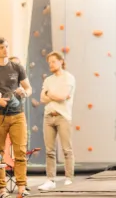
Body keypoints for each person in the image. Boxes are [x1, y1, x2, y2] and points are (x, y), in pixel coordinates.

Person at [0, 38, 33, 198]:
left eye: (7, 46)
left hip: (18, 114)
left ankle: (22, 188)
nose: (5, 50)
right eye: (2, 47)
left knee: (21, 151)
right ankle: (1, 189)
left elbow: (28, 88)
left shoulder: (17, 67)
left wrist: (25, 93)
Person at [37, 52, 76, 191]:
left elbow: (63, 97)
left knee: (67, 149)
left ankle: (69, 178)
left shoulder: (68, 77)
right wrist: (52, 96)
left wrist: (50, 95)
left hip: (63, 116)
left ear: (61, 61)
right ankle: (50, 179)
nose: (51, 64)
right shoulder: (48, 80)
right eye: (49, 62)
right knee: (49, 150)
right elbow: (42, 98)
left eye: (53, 61)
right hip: (49, 116)